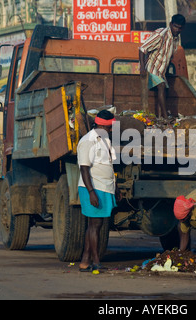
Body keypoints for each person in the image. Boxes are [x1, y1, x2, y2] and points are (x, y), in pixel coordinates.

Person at [77, 110, 121, 272]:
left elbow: (109, 165)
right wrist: (91, 192)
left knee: (95, 224)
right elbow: (84, 169)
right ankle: (96, 261)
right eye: (109, 127)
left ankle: (85, 261)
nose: (110, 130)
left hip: (105, 187)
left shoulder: (106, 139)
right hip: (94, 188)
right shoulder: (88, 141)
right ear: (102, 125)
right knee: (95, 225)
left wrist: (115, 187)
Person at [139, 14, 186, 119]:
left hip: (161, 71)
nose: (177, 29)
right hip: (151, 68)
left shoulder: (175, 39)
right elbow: (142, 49)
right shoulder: (161, 34)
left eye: (180, 28)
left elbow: (169, 56)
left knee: (165, 91)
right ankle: (165, 117)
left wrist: (168, 71)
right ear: (170, 24)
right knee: (162, 86)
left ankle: (160, 118)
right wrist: (142, 68)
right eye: (175, 26)